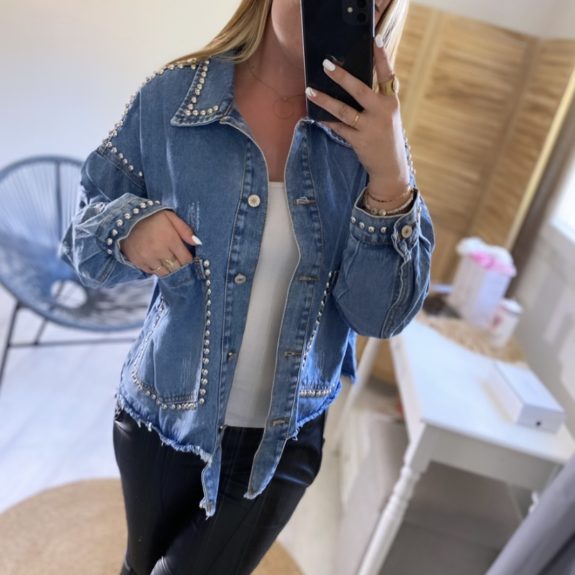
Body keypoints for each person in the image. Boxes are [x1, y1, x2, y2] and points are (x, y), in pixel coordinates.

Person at [60, 0, 435, 573]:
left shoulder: (377, 143)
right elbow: (81, 238)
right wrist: (128, 230)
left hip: (283, 441)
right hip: (161, 416)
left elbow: (379, 315)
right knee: (139, 565)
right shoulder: (172, 98)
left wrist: (390, 179)